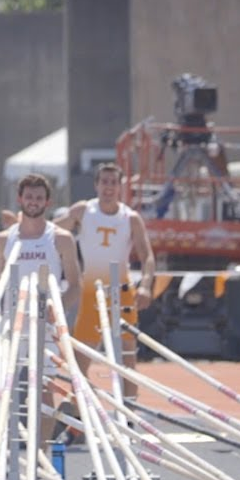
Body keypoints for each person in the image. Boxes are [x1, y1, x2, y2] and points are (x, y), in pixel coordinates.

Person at [0, 173, 81, 445]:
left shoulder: (61, 239)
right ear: (20, 199)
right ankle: (3, 456)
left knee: (45, 390)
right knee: (4, 390)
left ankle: (41, 455)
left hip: (45, 325)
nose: (33, 202)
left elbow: (75, 285)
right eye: (29, 197)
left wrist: (57, 307)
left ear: (47, 201)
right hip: (11, 323)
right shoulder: (4, 240)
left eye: (38, 198)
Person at [55, 162, 155, 402]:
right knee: (81, 358)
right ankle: (80, 415)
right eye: (104, 182)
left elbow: (147, 255)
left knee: (127, 358)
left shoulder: (130, 218)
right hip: (91, 292)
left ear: (120, 187)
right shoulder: (83, 211)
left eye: (113, 183)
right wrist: (22, 224)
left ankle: (129, 414)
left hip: (122, 291)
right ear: (96, 185)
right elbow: (53, 231)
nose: (108, 188)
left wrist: (145, 285)